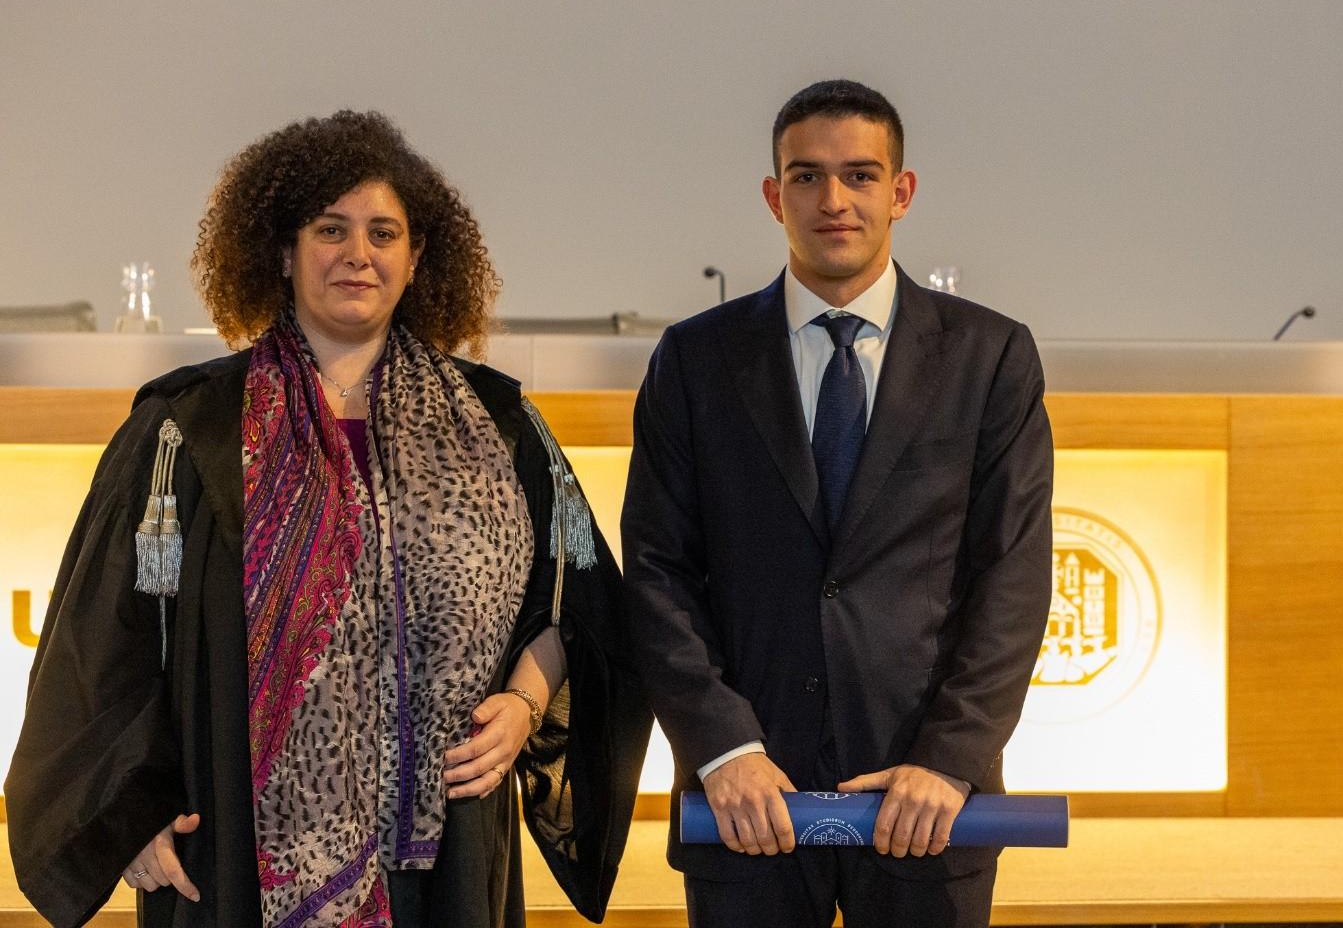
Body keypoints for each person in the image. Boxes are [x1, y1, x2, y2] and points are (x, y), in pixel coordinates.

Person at [7, 110, 651, 928]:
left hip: (445, 853)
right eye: (329, 229)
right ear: (283, 252)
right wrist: (126, 812)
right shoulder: (191, 428)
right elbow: (99, 643)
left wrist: (525, 704)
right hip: (235, 849)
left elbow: (578, 605)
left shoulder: (498, 426)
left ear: (416, 258)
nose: (358, 253)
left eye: (384, 233)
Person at [622, 80, 1053, 927]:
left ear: (901, 191)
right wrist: (723, 747)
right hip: (747, 800)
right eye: (807, 176)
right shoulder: (695, 360)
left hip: (926, 801)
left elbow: (1012, 575)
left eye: (860, 175)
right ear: (773, 195)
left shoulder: (991, 355)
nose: (834, 200)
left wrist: (951, 758)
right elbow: (657, 571)